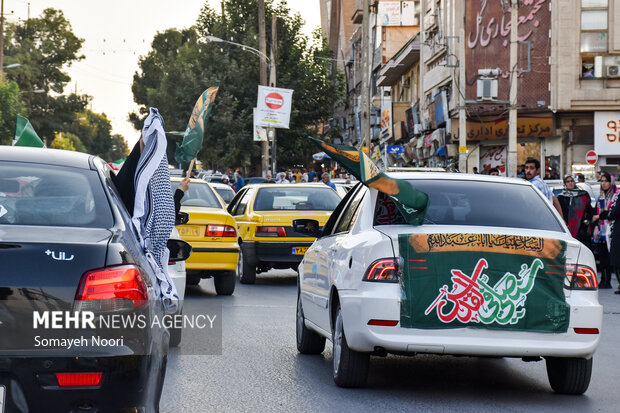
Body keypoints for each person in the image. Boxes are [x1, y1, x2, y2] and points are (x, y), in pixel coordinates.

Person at [592, 172, 619, 288]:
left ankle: (610, 280)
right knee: (602, 256)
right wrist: (597, 227)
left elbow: (611, 213)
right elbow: (598, 212)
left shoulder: (616, 195)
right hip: (603, 229)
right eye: (602, 181)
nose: (603, 183)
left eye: (606, 181)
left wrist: (602, 216)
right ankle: (604, 280)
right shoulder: (601, 196)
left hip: (613, 229)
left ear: (611, 182)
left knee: (612, 257)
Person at [557, 174, 594, 248]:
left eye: (571, 181)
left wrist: (587, 222)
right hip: (567, 228)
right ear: (565, 184)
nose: (570, 183)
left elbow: (589, 210)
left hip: (581, 227)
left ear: (574, 182)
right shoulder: (561, 197)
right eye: (567, 181)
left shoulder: (583, 195)